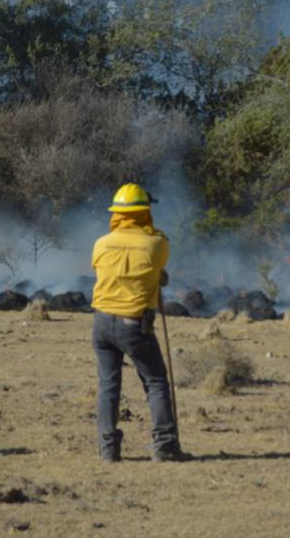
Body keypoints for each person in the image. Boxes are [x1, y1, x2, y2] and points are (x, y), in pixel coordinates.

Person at [90, 183, 183, 462]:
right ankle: (165, 447)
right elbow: (157, 266)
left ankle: (108, 450)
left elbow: (105, 271)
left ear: (116, 214)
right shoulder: (157, 244)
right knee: (155, 382)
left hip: (102, 323)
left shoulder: (101, 243)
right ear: (146, 212)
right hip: (134, 325)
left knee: (109, 385)